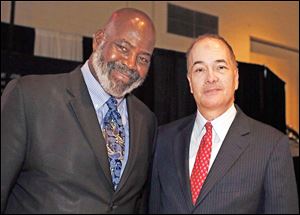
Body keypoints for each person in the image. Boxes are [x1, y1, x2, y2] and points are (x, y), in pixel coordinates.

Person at [1, 8, 157, 214]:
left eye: (143, 59)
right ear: (99, 40)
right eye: (123, 48)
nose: (130, 64)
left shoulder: (146, 121)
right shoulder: (30, 97)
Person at [149, 34, 299, 214]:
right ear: (190, 83)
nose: (210, 78)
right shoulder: (163, 139)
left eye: (220, 67)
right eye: (199, 70)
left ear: (236, 78)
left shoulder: (272, 146)